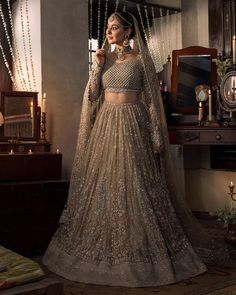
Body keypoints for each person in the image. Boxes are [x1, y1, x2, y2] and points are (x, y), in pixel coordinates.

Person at [43, 11, 228, 287]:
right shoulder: (103, 61)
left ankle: (143, 249)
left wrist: (156, 135)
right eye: (107, 27)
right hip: (106, 125)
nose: (109, 31)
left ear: (128, 32)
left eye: (115, 27)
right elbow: (93, 96)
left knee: (138, 185)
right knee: (106, 184)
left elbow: (153, 103)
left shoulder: (141, 61)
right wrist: (97, 65)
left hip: (134, 123)